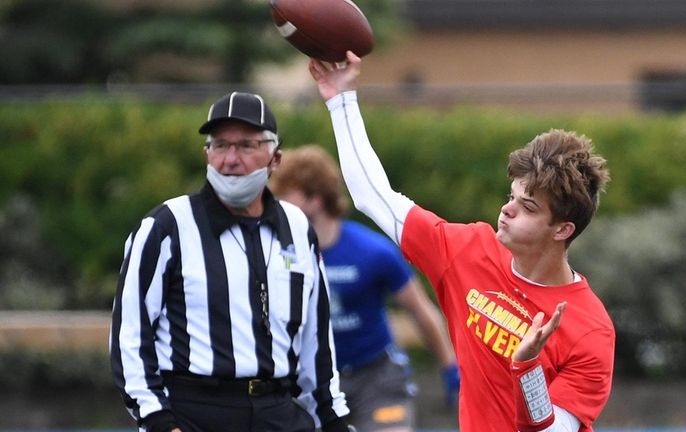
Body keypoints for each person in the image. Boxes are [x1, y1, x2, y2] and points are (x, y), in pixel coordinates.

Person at [308, 52, 615, 432]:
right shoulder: (468, 249)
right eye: (511, 197)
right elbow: (373, 197)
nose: (507, 211)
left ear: (562, 230)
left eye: (528, 207)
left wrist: (527, 368)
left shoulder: (589, 328)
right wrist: (341, 99)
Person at [109, 92, 354, 432]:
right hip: (195, 410)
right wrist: (159, 421)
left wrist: (333, 420)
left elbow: (316, 340)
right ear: (206, 154)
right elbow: (130, 336)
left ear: (275, 157)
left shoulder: (297, 227)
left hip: (277, 409)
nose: (231, 159)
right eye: (220, 146)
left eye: (246, 146)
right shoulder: (167, 227)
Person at [269, 144, 460, 431]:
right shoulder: (278, 253)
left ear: (314, 199)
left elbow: (421, 311)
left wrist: (451, 369)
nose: (277, 204)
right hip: (313, 383)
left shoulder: (373, 252)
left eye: (286, 195)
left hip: (378, 381)